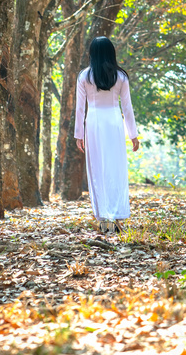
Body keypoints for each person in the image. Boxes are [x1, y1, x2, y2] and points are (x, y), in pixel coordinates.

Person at [74, 36, 140, 234]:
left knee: (97, 170)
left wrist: (79, 134)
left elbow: (80, 109)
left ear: (92, 54)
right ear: (112, 52)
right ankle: (118, 218)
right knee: (116, 169)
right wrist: (133, 135)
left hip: (93, 124)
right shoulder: (121, 77)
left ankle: (104, 220)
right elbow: (127, 107)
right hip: (114, 123)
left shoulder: (84, 76)